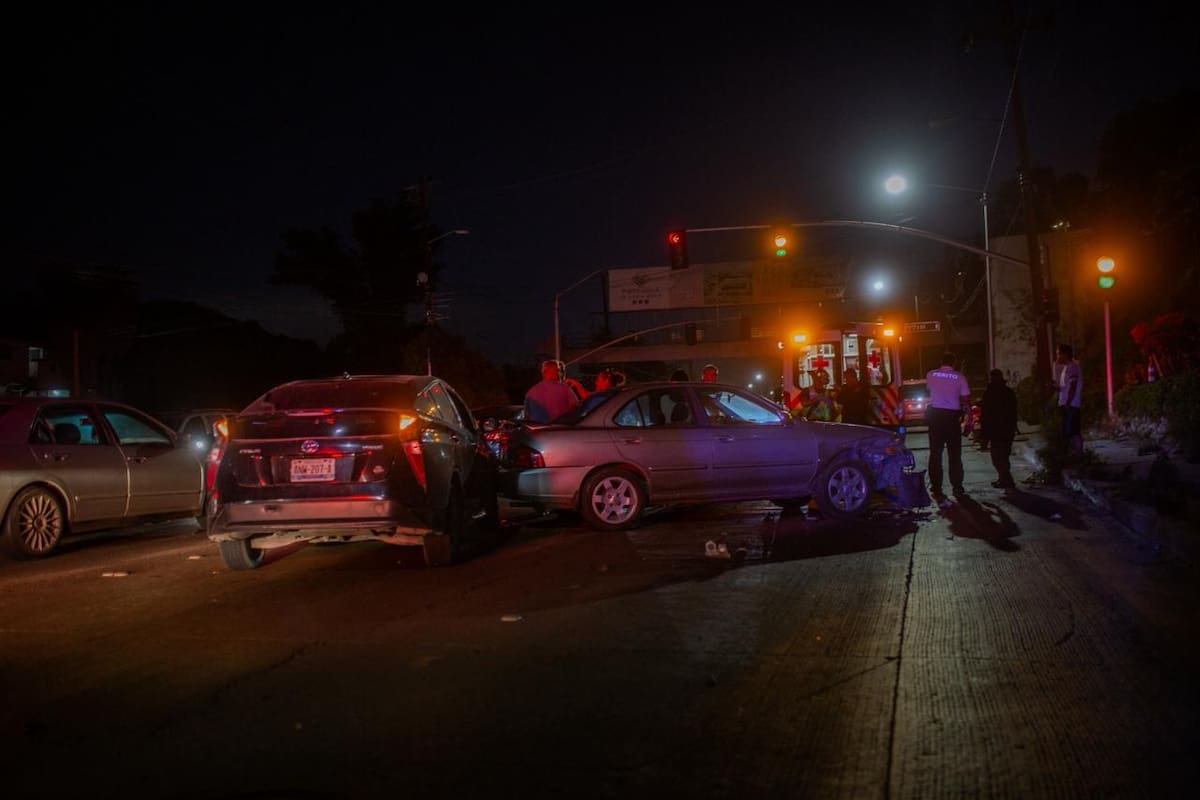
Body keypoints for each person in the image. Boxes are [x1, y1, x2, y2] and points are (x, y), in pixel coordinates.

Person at [925, 351, 972, 504]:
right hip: (952, 419)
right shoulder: (960, 377)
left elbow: (930, 390)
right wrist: (969, 420)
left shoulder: (931, 374)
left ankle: (936, 488)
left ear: (941, 361)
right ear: (954, 363)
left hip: (936, 417)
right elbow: (966, 400)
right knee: (955, 455)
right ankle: (957, 487)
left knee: (935, 454)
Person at [980, 369, 1018, 489]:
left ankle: (1006, 479)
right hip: (1007, 429)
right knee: (1004, 456)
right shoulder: (1008, 392)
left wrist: (984, 433)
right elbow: (1014, 411)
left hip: (995, 430)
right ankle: (1004, 479)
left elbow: (986, 414)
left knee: (997, 457)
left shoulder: (989, 393)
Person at [1056, 343, 1083, 457]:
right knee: (1068, 431)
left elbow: (1073, 385)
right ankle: (1074, 454)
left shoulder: (1072, 367)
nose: (1057, 357)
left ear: (1064, 354)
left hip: (1071, 405)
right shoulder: (1066, 368)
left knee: (1072, 431)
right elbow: (1066, 386)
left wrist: (1068, 402)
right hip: (1067, 404)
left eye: (1058, 354)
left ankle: (1078, 454)